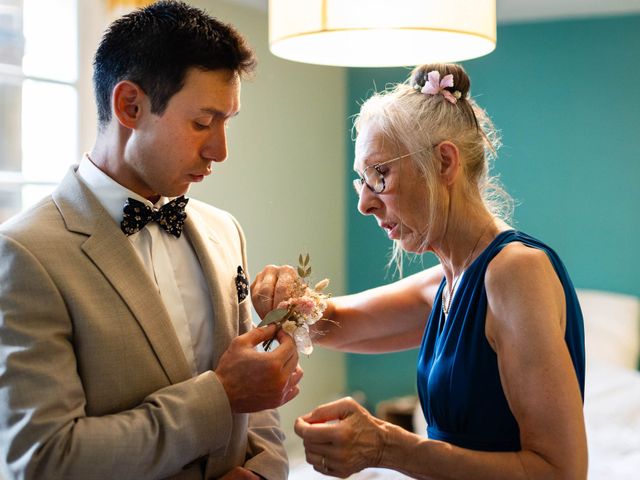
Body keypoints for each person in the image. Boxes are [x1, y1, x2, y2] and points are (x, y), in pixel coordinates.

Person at [0, 2, 302, 479]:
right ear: (130, 106)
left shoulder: (225, 231)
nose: (220, 150)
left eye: (228, 122)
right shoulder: (25, 254)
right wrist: (220, 397)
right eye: (203, 122)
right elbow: (44, 459)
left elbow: (257, 400)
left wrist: (265, 472)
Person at [252, 63, 587, 479]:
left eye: (380, 174)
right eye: (362, 181)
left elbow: (562, 472)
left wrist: (388, 446)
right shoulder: (446, 282)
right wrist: (280, 296)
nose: (365, 204)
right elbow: (332, 323)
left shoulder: (516, 272)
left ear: (445, 162)